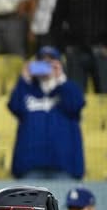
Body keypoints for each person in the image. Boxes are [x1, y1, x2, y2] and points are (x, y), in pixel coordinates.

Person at [8, 46, 85, 180]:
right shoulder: (26, 89)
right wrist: (24, 79)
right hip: (30, 166)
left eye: (51, 62)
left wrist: (61, 79)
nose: (46, 65)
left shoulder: (69, 88)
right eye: (42, 62)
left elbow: (76, 105)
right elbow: (15, 106)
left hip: (63, 166)